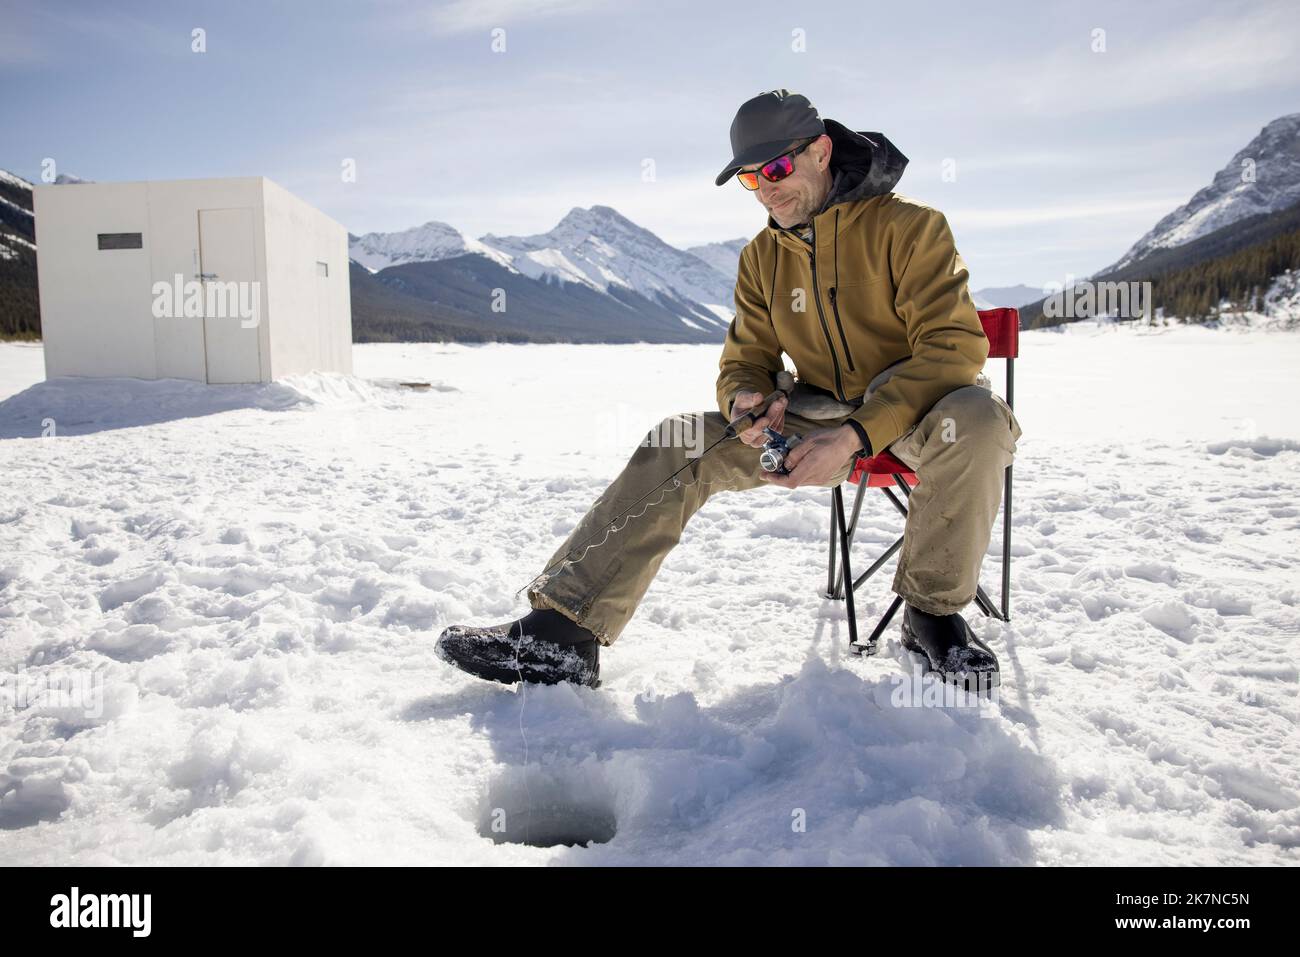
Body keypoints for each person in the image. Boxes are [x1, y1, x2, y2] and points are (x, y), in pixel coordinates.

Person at [436, 89, 1023, 690]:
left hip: (919, 418)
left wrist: (856, 435)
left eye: (777, 168)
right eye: (750, 177)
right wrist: (746, 399)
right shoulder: (762, 258)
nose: (766, 189)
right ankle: (563, 634)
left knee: (979, 418)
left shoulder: (911, 227)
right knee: (679, 440)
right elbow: (745, 359)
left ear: (821, 152)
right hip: (817, 417)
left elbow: (953, 348)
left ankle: (931, 614)